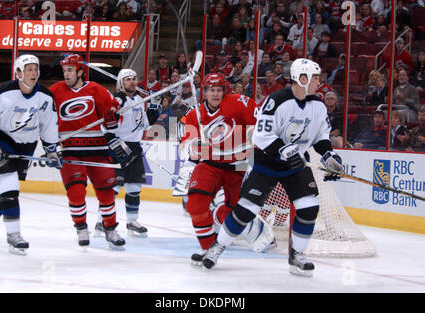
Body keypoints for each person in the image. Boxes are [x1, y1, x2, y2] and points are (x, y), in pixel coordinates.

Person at [202, 58, 344, 278]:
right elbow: (261, 135)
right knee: (245, 210)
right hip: (267, 163)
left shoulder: (318, 105)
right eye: (315, 77)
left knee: (308, 208)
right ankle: (217, 246)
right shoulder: (277, 100)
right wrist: (285, 150)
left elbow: (321, 136)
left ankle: (296, 255)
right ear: (302, 78)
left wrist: (329, 155)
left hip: (296, 165)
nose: (319, 81)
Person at [0, 54, 61, 255]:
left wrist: (52, 151)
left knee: (5, 191)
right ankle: (14, 235)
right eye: (29, 69)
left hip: (26, 145)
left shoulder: (45, 97)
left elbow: (49, 125)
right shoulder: (4, 92)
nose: (34, 73)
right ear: (18, 72)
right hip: (1, 141)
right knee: (11, 186)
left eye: (36, 68)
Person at [179, 73, 264, 265]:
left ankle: (219, 218)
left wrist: (251, 140)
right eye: (211, 90)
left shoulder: (239, 102)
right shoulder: (195, 114)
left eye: (219, 90)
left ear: (224, 91)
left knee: (235, 214)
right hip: (210, 164)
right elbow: (186, 146)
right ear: (205, 92)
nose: (215, 94)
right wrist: (194, 145)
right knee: (195, 204)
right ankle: (208, 248)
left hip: (239, 166)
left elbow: (260, 128)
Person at [49, 54, 125, 250]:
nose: (66, 74)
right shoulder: (55, 91)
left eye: (70, 70)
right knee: (76, 192)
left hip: (98, 150)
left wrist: (112, 119)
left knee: (106, 192)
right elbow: (44, 118)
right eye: (64, 70)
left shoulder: (95, 90)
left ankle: (110, 229)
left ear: (81, 71)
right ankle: (81, 227)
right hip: (70, 151)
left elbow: (114, 118)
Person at [97, 68, 161, 238]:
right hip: (118, 146)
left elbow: (145, 124)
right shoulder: (117, 99)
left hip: (134, 147)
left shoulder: (140, 99)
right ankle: (101, 221)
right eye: (128, 79)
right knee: (113, 187)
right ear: (121, 83)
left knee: (134, 186)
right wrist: (111, 139)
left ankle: (132, 221)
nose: (132, 82)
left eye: (134, 79)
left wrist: (155, 108)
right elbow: (105, 123)